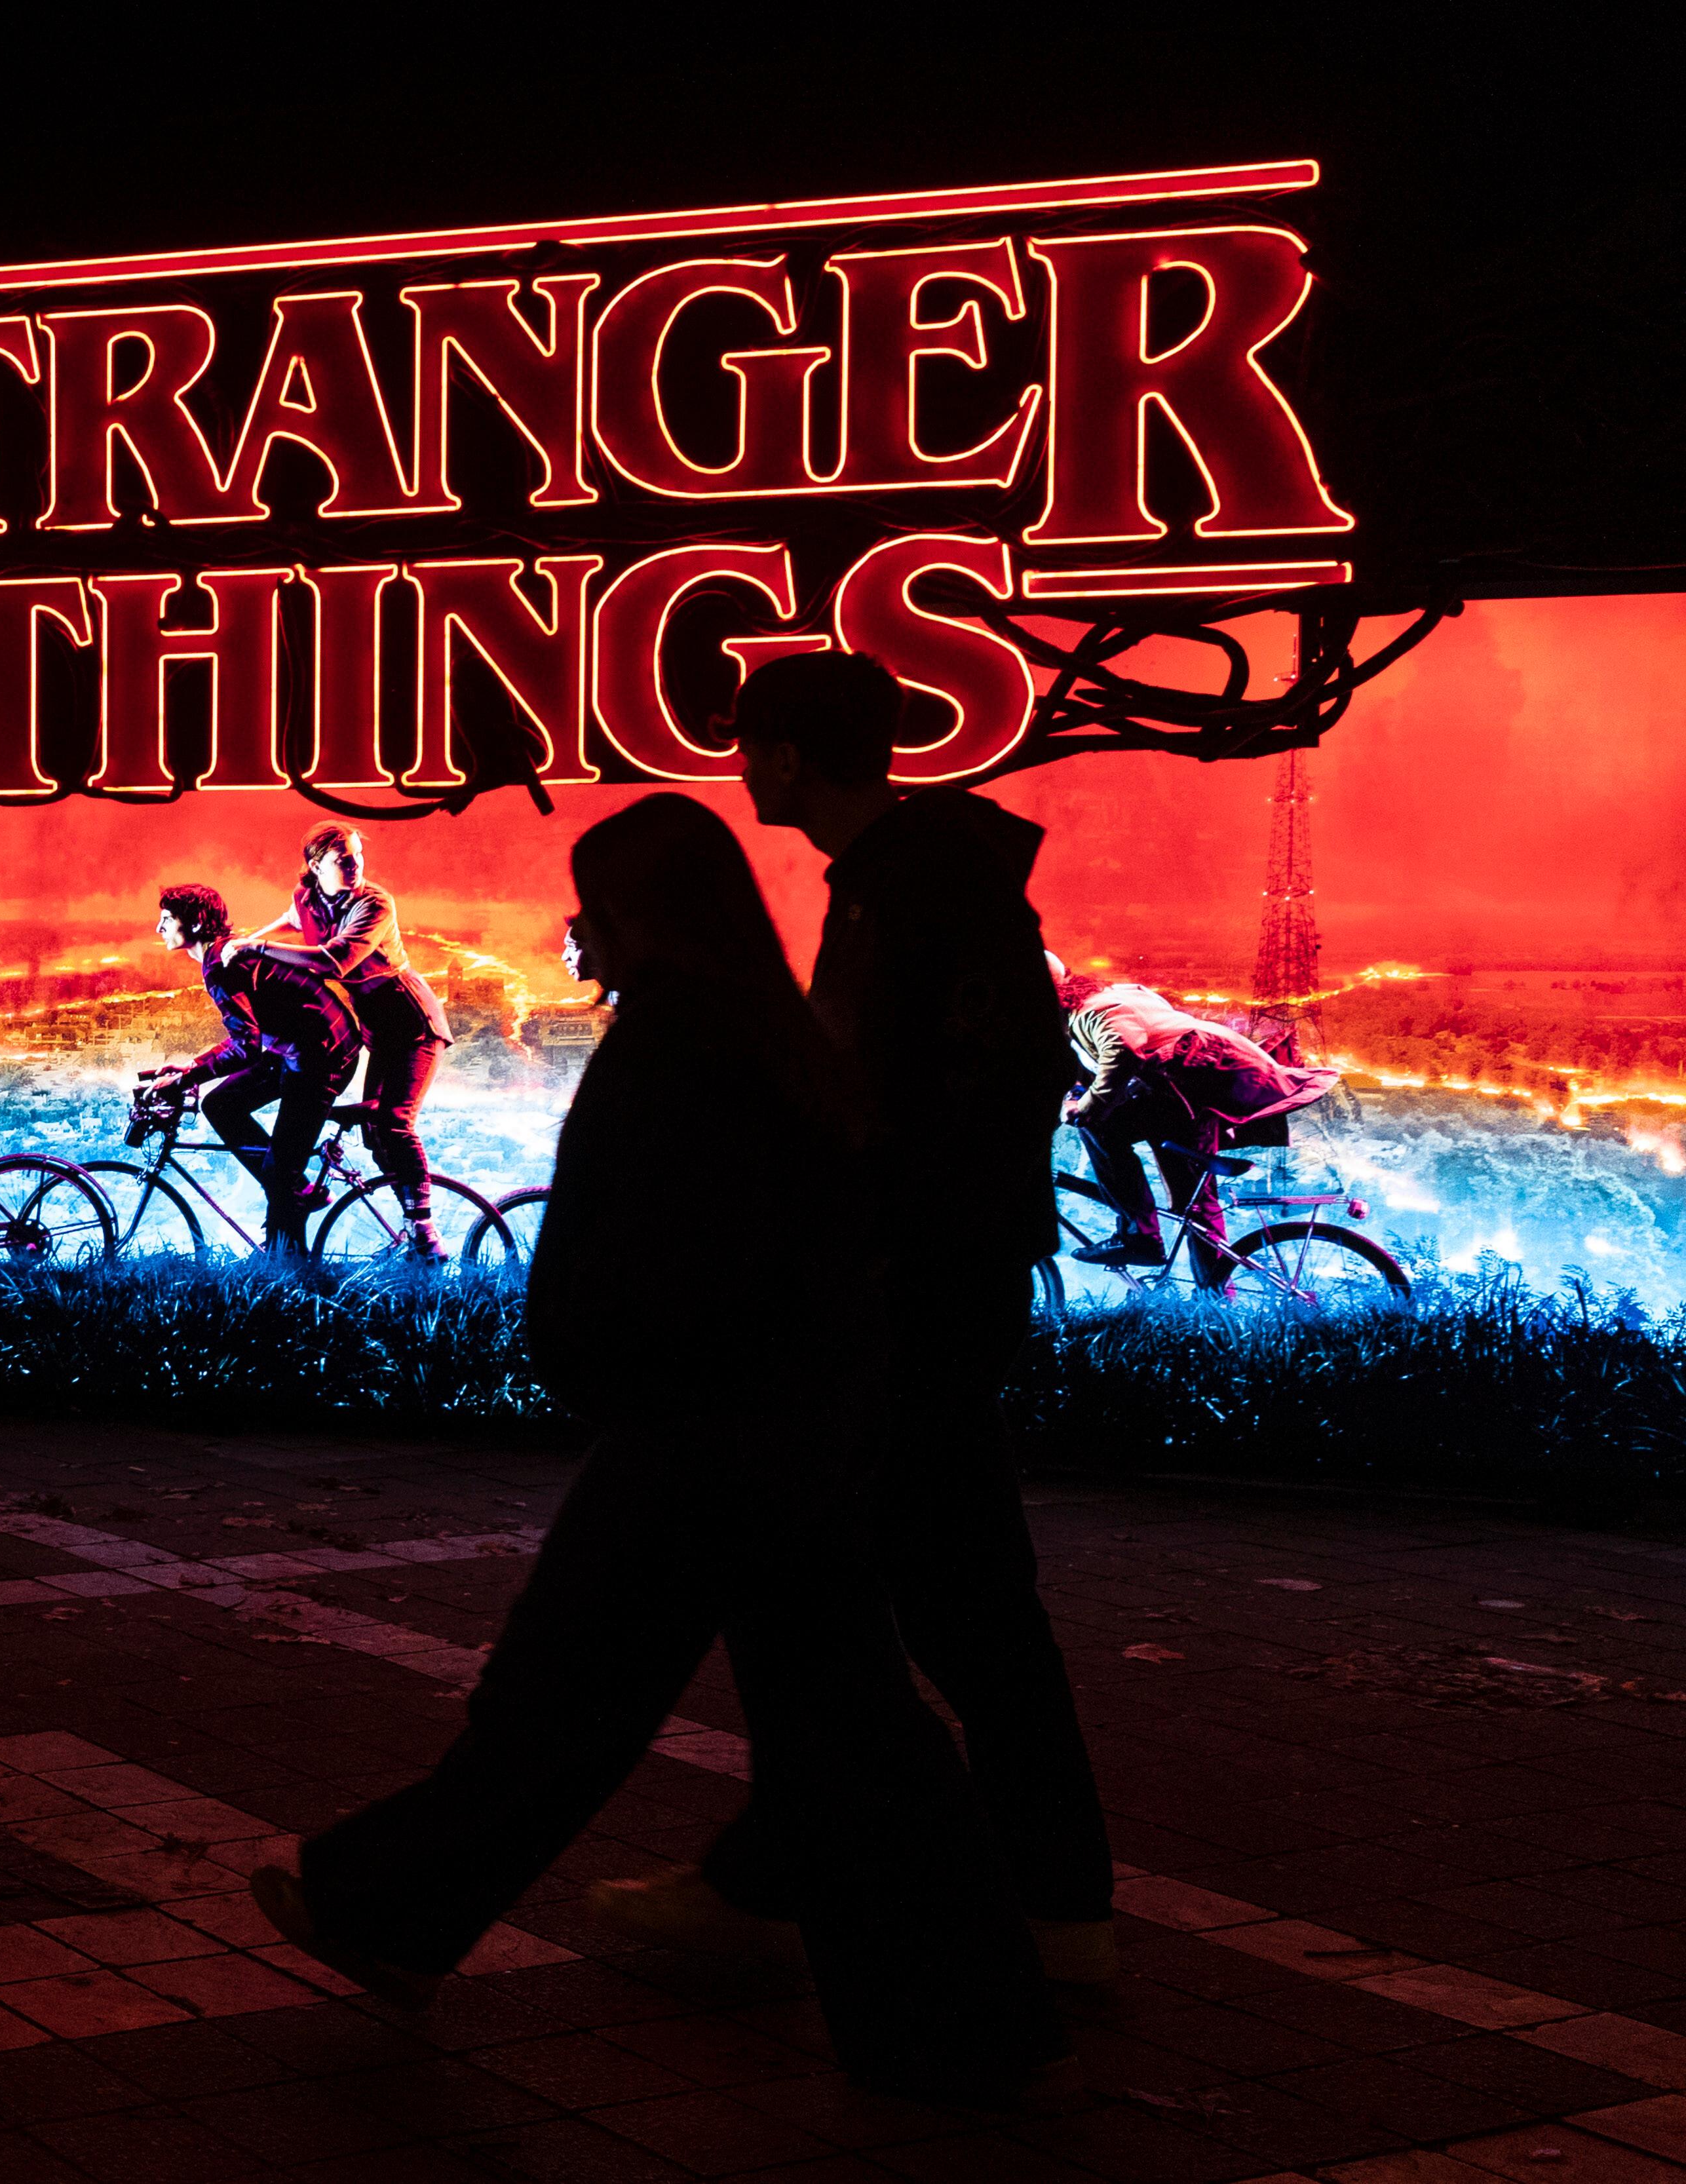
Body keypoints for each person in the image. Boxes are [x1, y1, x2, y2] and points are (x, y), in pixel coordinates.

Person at [251, 795, 1072, 2103]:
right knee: (833, 1728)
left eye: (593, 905)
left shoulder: (672, 1051)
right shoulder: (775, 1037)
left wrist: (594, 1363)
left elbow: (634, 1258)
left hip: (695, 1438)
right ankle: (964, 2018)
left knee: (571, 1702)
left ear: (644, 917)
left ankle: (389, 1910)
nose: (577, 931)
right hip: (774, 1436)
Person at [595, 649, 1116, 1983]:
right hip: (935, 1291)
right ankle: (831, 1887)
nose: (738, 763)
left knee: (912, 1612)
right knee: (890, 1609)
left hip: (911, 1305)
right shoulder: (923, 885)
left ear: (782, 754)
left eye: (748, 741)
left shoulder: (914, 900)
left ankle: (1027, 1916)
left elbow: (913, 1113)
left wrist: (855, 1254)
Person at [233, 824, 453, 1258]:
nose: (355, 867)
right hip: (379, 1033)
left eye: (357, 857)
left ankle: (424, 1229)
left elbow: (337, 960)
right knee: (375, 1137)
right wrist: (245, 943)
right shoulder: (310, 899)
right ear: (316, 867)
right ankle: (407, 1224)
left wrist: (257, 950)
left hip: (413, 1026)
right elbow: (290, 921)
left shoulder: (374, 903)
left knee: (394, 1122)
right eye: (343, 860)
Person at [1054, 957, 1341, 1273]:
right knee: (1190, 1197)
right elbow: (1092, 1069)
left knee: (1104, 1131)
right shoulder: (1107, 997)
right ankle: (1207, 1288)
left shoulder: (1095, 1011)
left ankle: (1142, 1239)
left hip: (1195, 1088)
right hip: (1187, 1089)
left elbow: (1123, 1053)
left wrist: (1086, 1109)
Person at [143, 884, 364, 1254]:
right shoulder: (223, 956)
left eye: (167, 919)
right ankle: (293, 1191)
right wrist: (193, 1067)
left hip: (321, 1057)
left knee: (281, 1173)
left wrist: (188, 1077)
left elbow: (245, 1047)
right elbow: (249, 1039)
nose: (159, 928)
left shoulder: (221, 965)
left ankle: (288, 1262)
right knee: (221, 1105)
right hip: (301, 1048)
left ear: (196, 923)